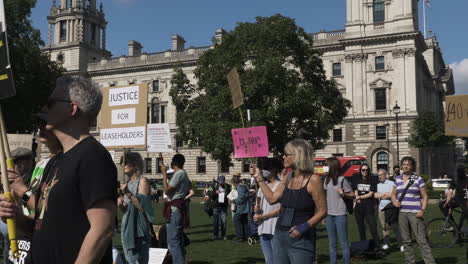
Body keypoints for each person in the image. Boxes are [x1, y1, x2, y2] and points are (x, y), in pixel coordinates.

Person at [0, 75, 118, 264]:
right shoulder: (56, 162)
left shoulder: (93, 156)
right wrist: (15, 215)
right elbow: (40, 227)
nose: (44, 109)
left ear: (72, 109)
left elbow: (103, 229)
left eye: (51, 103)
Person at [253, 139, 327, 263]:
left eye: (287, 154)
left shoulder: (313, 180)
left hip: (300, 239)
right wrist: (259, 179)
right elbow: (272, 199)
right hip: (279, 236)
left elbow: (323, 211)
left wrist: (304, 227)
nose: (283, 157)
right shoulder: (288, 176)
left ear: (298, 156)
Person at [391, 156, 436, 264]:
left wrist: (422, 210)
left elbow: (425, 197)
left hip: (415, 213)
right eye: (404, 164)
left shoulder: (418, 179)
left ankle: (430, 262)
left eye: (408, 164)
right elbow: (393, 194)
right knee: (406, 241)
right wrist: (394, 201)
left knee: (421, 241)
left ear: (412, 167)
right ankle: (410, 261)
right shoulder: (397, 179)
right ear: (402, 166)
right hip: (402, 213)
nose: (406, 166)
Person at [117, 152, 155, 264]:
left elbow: (142, 207)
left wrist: (128, 193)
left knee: (139, 260)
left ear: (135, 165)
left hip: (138, 226)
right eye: (121, 163)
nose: (123, 165)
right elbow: (126, 210)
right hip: (127, 225)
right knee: (130, 260)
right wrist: (121, 205)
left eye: (125, 163)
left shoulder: (142, 181)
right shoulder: (127, 183)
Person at [161, 154, 191, 264]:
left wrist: (164, 173)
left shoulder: (179, 173)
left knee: (173, 242)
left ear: (174, 163)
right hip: (177, 207)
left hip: (174, 209)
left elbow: (166, 190)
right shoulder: (182, 173)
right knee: (178, 240)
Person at [323, 157, 353, 264]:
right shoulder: (326, 180)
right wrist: (324, 214)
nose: (324, 167)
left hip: (340, 214)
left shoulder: (342, 180)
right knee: (332, 243)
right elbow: (325, 198)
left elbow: (352, 195)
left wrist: (343, 194)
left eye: (326, 164)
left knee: (344, 243)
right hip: (329, 215)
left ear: (332, 166)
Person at [253, 159, 282, 264]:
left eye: (266, 169)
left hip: (275, 226)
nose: (264, 171)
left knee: (277, 260)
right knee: (269, 260)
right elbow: (260, 205)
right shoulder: (263, 185)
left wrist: (264, 216)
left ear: (273, 170)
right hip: (263, 227)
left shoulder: (280, 185)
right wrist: (257, 208)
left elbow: (282, 209)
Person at [374, 169, 403, 251]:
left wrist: (383, 195)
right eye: (378, 175)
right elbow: (375, 195)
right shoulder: (377, 185)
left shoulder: (391, 183)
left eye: (381, 175)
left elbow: (392, 194)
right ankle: (387, 243)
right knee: (384, 227)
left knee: (395, 227)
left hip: (390, 208)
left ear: (385, 175)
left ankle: (401, 244)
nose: (379, 176)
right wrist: (384, 195)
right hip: (381, 208)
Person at [351, 164, 379, 246]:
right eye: (363, 170)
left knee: (373, 227)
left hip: (369, 206)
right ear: (360, 171)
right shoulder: (357, 179)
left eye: (366, 170)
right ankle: (364, 246)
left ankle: (377, 246)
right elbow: (355, 190)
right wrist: (356, 200)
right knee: (361, 228)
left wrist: (359, 197)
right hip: (358, 207)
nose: (365, 172)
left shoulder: (372, 180)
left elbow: (370, 194)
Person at [206, 175, 231, 240]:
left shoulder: (227, 186)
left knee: (224, 222)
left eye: (222, 182)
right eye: (220, 182)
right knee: (215, 222)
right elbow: (208, 193)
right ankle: (215, 235)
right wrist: (215, 192)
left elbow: (230, 194)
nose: (221, 183)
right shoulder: (213, 186)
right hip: (215, 207)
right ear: (217, 181)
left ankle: (224, 235)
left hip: (223, 207)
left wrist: (227, 195)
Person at [232, 176, 250, 242]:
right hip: (245, 208)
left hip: (241, 208)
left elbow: (241, 198)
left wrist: (234, 200)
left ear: (234, 182)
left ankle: (240, 237)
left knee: (236, 220)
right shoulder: (243, 186)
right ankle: (245, 236)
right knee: (244, 221)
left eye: (233, 183)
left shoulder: (240, 187)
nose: (233, 185)